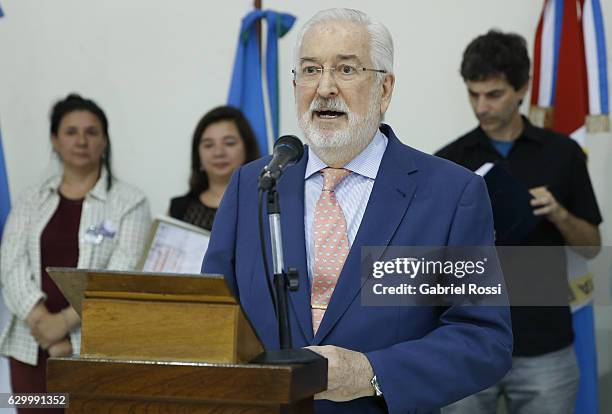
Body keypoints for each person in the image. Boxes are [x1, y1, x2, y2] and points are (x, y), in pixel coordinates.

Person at [203, 9, 512, 414]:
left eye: (346, 69)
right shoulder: (253, 185)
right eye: (311, 70)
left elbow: (483, 340)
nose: (325, 87)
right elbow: (213, 316)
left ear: (384, 89)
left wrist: (370, 372)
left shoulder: (452, 194)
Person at [436, 31, 602, 414]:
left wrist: (559, 214)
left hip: (546, 346)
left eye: (493, 95)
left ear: (523, 87)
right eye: (473, 94)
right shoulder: (448, 161)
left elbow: (591, 246)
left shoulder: (564, 154)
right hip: (467, 343)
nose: (481, 107)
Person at [0, 93, 151, 412]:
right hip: (31, 347)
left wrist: (64, 325)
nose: (81, 140)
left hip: (95, 348)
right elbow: (10, 264)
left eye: (91, 132)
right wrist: (44, 326)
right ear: (55, 140)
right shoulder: (31, 199)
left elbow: (121, 275)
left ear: (105, 141)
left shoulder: (129, 201)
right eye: (71, 132)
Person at [169, 106, 260, 231]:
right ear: (198, 155)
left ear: (247, 149)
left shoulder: (267, 205)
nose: (218, 152)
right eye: (208, 145)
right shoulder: (178, 209)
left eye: (229, 143)